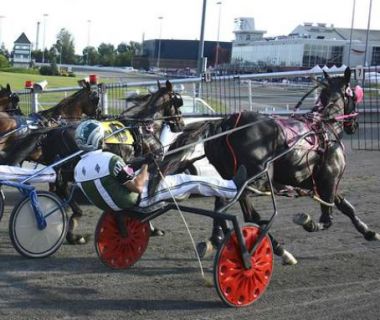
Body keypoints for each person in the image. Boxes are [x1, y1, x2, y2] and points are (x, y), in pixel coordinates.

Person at [73, 120, 247, 212]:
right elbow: (138, 187)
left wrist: (140, 164)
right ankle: (231, 188)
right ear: (99, 139)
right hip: (139, 200)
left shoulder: (78, 168)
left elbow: (119, 177)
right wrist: (146, 165)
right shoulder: (110, 160)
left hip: (111, 205)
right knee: (189, 180)